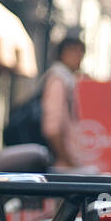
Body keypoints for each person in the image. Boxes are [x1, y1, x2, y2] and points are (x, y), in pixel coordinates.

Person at [40, 31, 85, 171]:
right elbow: (52, 129)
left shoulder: (67, 80)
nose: (80, 58)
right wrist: (67, 161)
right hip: (58, 167)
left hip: (61, 164)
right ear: (64, 53)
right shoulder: (59, 81)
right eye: (76, 52)